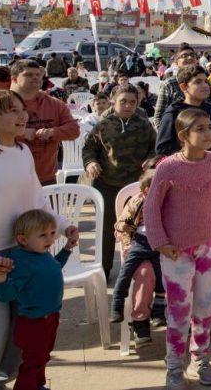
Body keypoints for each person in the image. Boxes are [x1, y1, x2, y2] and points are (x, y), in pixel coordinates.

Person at [0, 90, 77, 387]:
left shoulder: (21, 152)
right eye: (12, 111)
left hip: (25, 254)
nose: (22, 116)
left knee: (24, 334)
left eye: (22, 110)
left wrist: (64, 224)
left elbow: (38, 199)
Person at [144, 109, 211, 388]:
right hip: (176, 251)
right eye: (200, 129)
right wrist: (160, 242)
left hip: (208, 246)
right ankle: (173, 364)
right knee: (179, 310)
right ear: (183, 136)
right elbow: (151, 207)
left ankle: (200, 358)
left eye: (209, 128)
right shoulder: (168, 167)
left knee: (205, 305)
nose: (208, 134)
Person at [82, 83, 157, 280]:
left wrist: (152, 158)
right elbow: (89, 149)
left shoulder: (144, 125)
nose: (128, 106)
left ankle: (136, 272)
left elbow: (155, 148)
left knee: (136, 230)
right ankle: (104, 271)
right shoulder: (103, 125)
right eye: (123, 101)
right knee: (107, 230)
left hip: (135, 187)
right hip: (107, 183)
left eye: (133, 102)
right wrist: (91, 163)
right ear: (114, 101)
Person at [0, 210, 75, 390]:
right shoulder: (21, 263)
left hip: (50, 318)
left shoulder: (40, 253)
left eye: (52, 233)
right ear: (23, 240)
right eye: (43, 235)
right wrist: (0, 278)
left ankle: (38, 384)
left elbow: (54, 267)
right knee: (33, 362)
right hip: (33, 323)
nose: (50, 239)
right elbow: (6, 295)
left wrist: (67, 250)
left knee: (42, 357)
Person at [110, 166, 165, 346]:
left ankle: (165, 313)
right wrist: (127, 243)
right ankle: (140, 321)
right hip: (139, 246)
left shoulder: (169, 201)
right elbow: (120, 226)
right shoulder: (137, 202)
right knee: (144, 274)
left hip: (163, 248)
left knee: (176, 270)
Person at [9, 60, 80, 185]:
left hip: (46, 178)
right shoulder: (2, 103)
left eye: (38, 74)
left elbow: (74, 130)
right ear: (14, 79)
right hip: (8, 178)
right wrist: (21, 133)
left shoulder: (55, 104)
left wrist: (53, 132)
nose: (35, 77)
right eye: (28, 75)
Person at [155, 65, 211, 157]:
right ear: (184, 87)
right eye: (198, 82)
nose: (205, 86)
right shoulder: (174, 113)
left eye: (206, 81)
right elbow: (162, 148)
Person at [152, 47, 208, 128]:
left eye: (192, 55)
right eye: (184, 56)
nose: (189, 58)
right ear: (176, 62)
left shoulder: (206, 82)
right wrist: (167, 135)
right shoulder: (169, 84)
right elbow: (158, 116)